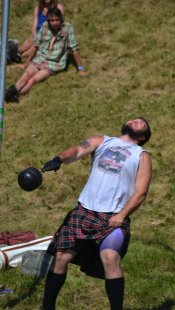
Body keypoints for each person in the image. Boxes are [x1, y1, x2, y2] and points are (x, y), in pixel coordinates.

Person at [40, 117, 152, 310]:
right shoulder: (102, 140)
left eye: (143, 123)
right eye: (134, 119)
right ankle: (47, 307)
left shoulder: (141, 156)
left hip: (113, 218)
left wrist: (122, 215)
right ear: (124, 124)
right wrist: (59, 158)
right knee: (60, 257)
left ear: (143, 137)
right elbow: (77, 150)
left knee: (110, 258)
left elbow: (141, 192)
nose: (138, 120)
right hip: (84, 212)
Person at [5, 7, 85, 103]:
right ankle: (10, 93)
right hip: (39, 59)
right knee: (26, 75)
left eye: (57, 20)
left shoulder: (67, 28)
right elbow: (35, 45)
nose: (55, 23)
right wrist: (28, 62)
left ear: (61, 19)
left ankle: (15, 95)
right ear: (48, 20)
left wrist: (80, 69)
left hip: (52, 64)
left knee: (33, 80)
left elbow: (74, 49)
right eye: (52, 20)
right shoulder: (45, 26)